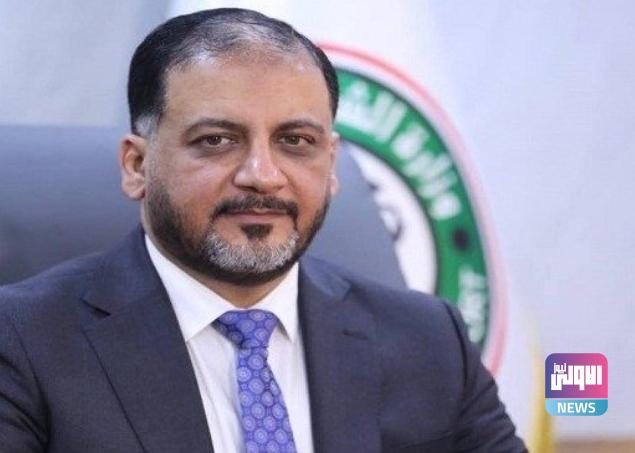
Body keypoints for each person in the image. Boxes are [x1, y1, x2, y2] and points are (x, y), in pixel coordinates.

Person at [0, 8, 527, 453]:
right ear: (137, 166)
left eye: (295, 141)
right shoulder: (23, 341)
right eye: (216, 140)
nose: (262, 175)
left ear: (332, 163)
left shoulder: (428, 339)